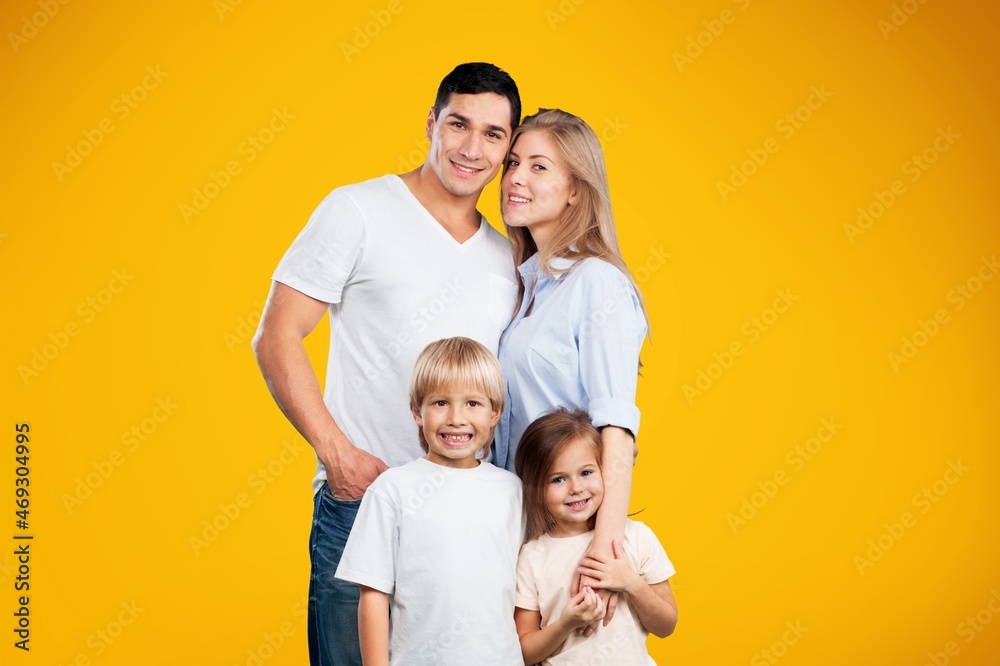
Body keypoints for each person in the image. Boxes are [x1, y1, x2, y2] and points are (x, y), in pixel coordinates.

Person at [251, 63, 521, 665]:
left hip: (467, 518)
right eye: (458, 124)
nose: (471, 148)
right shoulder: (359, 210)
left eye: (493, 134)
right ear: (431, 122)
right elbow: (276, 336)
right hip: (363, 500)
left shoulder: (507, 258)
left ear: (507, 148)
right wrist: (336, 453)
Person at [494, 108, 649, 626]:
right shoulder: (527, 288)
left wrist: (602, 558)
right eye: (514, 162)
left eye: (539, 167)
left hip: (570, 535)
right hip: (519, 529)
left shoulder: (597, 285)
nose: (515, 177)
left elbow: (616, 428)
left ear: (575, 191)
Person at [335, 337, 523, 665]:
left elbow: (530, 589)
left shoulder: (512, 490)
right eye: (440, 403)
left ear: (495, 413)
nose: (456, 418)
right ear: (416, 412)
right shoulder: (392, 489)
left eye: (472, 404)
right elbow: (373, 595)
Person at [514, 408, 677, 665]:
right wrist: (566, 623)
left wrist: (630, 583)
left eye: (586, 473)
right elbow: (524, 652)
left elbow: (666, 625)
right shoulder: (532, 556)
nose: (576, 488)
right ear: (535, 487)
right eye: (558, 479)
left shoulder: (636, 536)